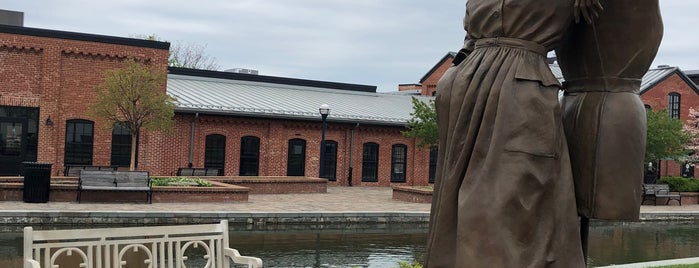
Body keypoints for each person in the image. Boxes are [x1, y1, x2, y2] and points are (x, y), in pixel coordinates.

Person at [424, 0, 603, 267]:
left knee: (511, 203)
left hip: (522, 92)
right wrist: (454, 74)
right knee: (454, 206)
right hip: (465, 90)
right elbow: (470, 37)